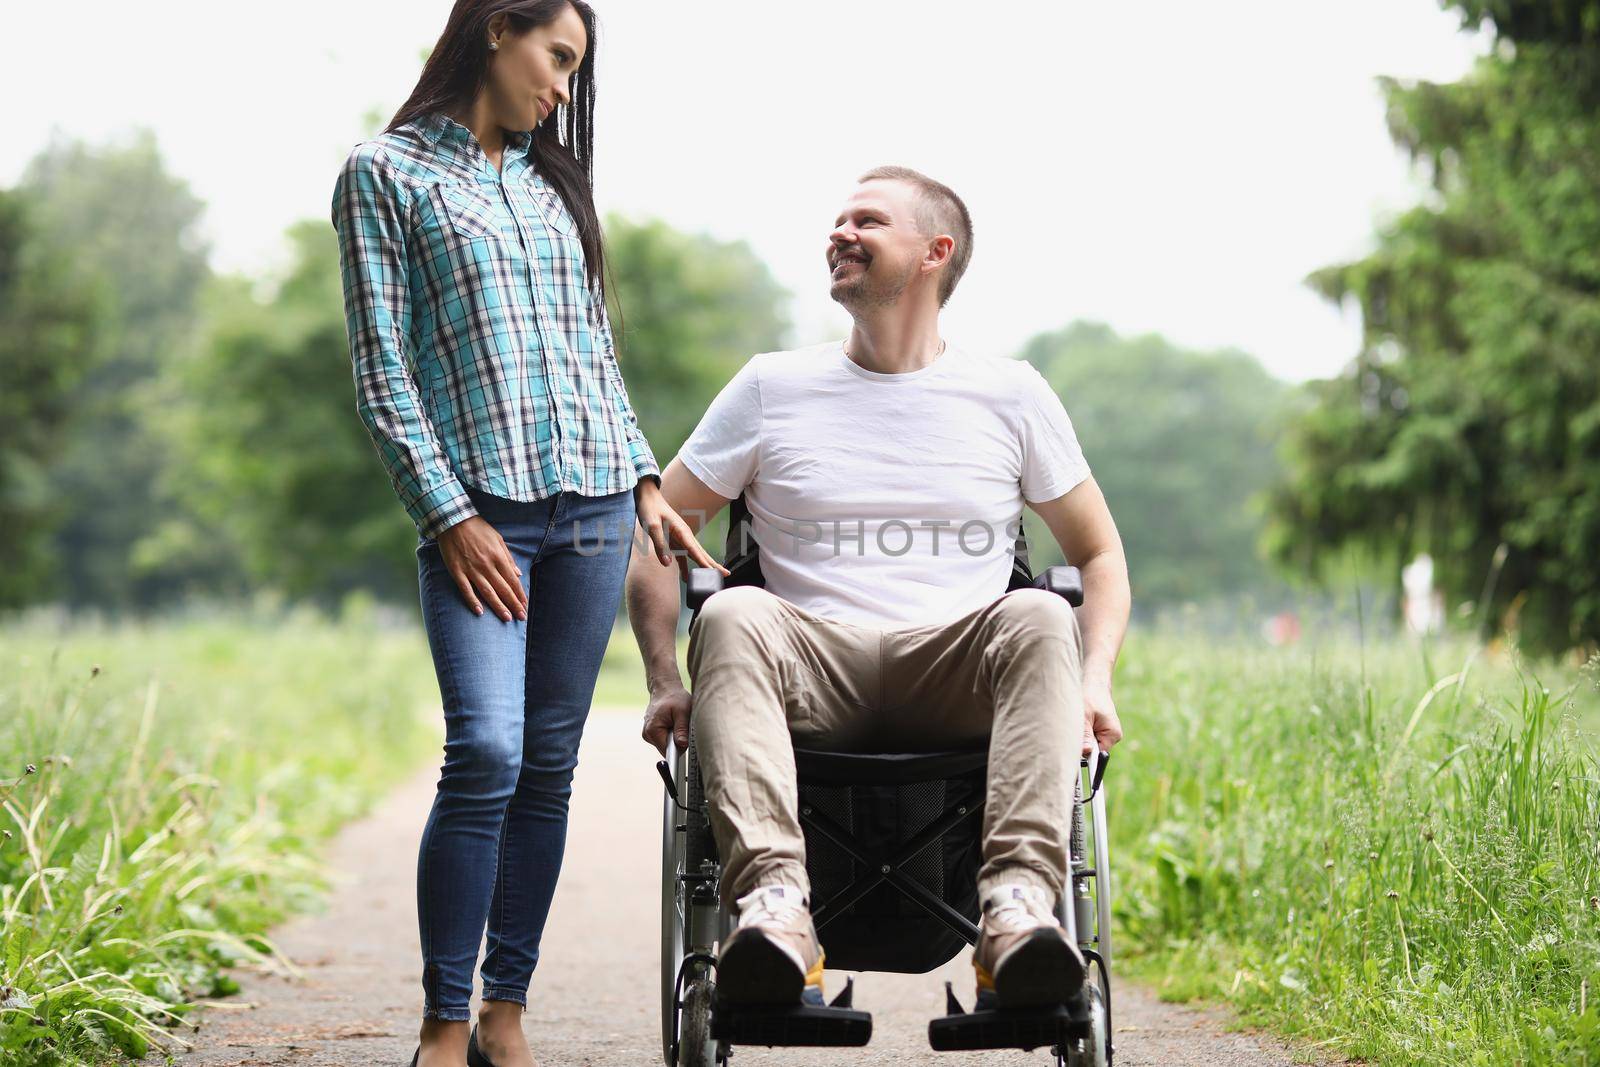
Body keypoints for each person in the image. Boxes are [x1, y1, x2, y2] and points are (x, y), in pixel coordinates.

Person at [627, 166, 1131, 1014]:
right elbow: (658, 534)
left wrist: (1095, 678)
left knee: (1044, 611)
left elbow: (1101, 553)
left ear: (936, 253)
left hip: (954, 663)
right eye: (837, 219)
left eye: (868, 220)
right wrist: (662, 677)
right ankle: (777, 910)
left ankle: (1016, 910)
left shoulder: (1010, 393)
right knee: (737, 608)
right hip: (811, 665)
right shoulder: (770, 386)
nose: (840, 233)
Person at [332, 3, 718, 1065]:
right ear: (496, 30)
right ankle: (442, 1022)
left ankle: (506, 1012)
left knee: (547, 760)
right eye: (556, 58)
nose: (561, 88)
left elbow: (592, 350)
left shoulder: (552, 188)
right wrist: (447, 515)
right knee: (486, 751)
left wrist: (644, 477)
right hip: (482, 514)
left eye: (572, 70)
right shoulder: (385, 173)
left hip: (594, 507)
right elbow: (380, 369)